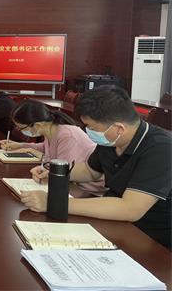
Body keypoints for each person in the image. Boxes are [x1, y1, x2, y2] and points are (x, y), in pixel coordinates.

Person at [20, 86, 172, 249]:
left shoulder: (161, 148)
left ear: (119, 128)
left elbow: (130, 208)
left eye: (91, 128)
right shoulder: (111, 140)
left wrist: (54, 202)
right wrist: (55, 172)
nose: (88, 132)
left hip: (151, 239)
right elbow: (90, 171)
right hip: (114, 221)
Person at [0, 99, 106, 196]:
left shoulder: (67, 135)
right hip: (73, 185)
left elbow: (62, 169)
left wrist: (41, 156)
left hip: (87, 189)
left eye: (21, 128)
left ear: (37, 125)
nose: (19, 130)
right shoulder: (51, 129)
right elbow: (46, 147)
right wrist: (21, 146)